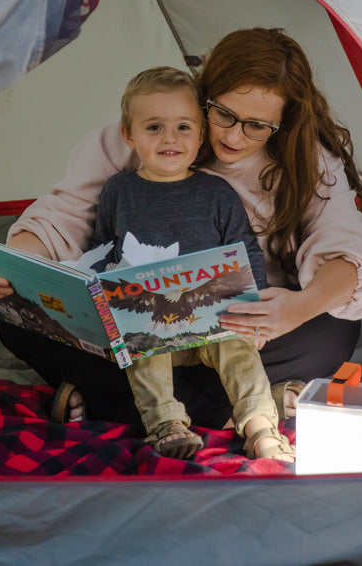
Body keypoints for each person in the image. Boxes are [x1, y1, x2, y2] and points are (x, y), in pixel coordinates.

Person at [0, 27, 362, 432]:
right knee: (14, 314)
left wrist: (293, 310)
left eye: (257, 126)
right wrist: (13, 265)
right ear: (205, 95)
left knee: (335, 329)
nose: (235, 137)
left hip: (242, 330)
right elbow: (66, 214)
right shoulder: (156, 127)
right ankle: (250, 405)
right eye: (223, 115)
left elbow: (345, 248)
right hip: (139, 324)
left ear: (284, 121)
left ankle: (118, 402)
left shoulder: (307, 156)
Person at [89, 66, 293, 461]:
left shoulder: (216, 193)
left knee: (239, 350)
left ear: (201, 136)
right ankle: (166, 425)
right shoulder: (119, 191)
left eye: (184, 127)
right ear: (129, 135)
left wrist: (254, 308)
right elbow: (103, 250)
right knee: (143, 340)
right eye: (154, 128)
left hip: (211, 323)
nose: (170, 138)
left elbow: (244, 250)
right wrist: (100, 294)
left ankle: (260, 427)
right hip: (152, 325)